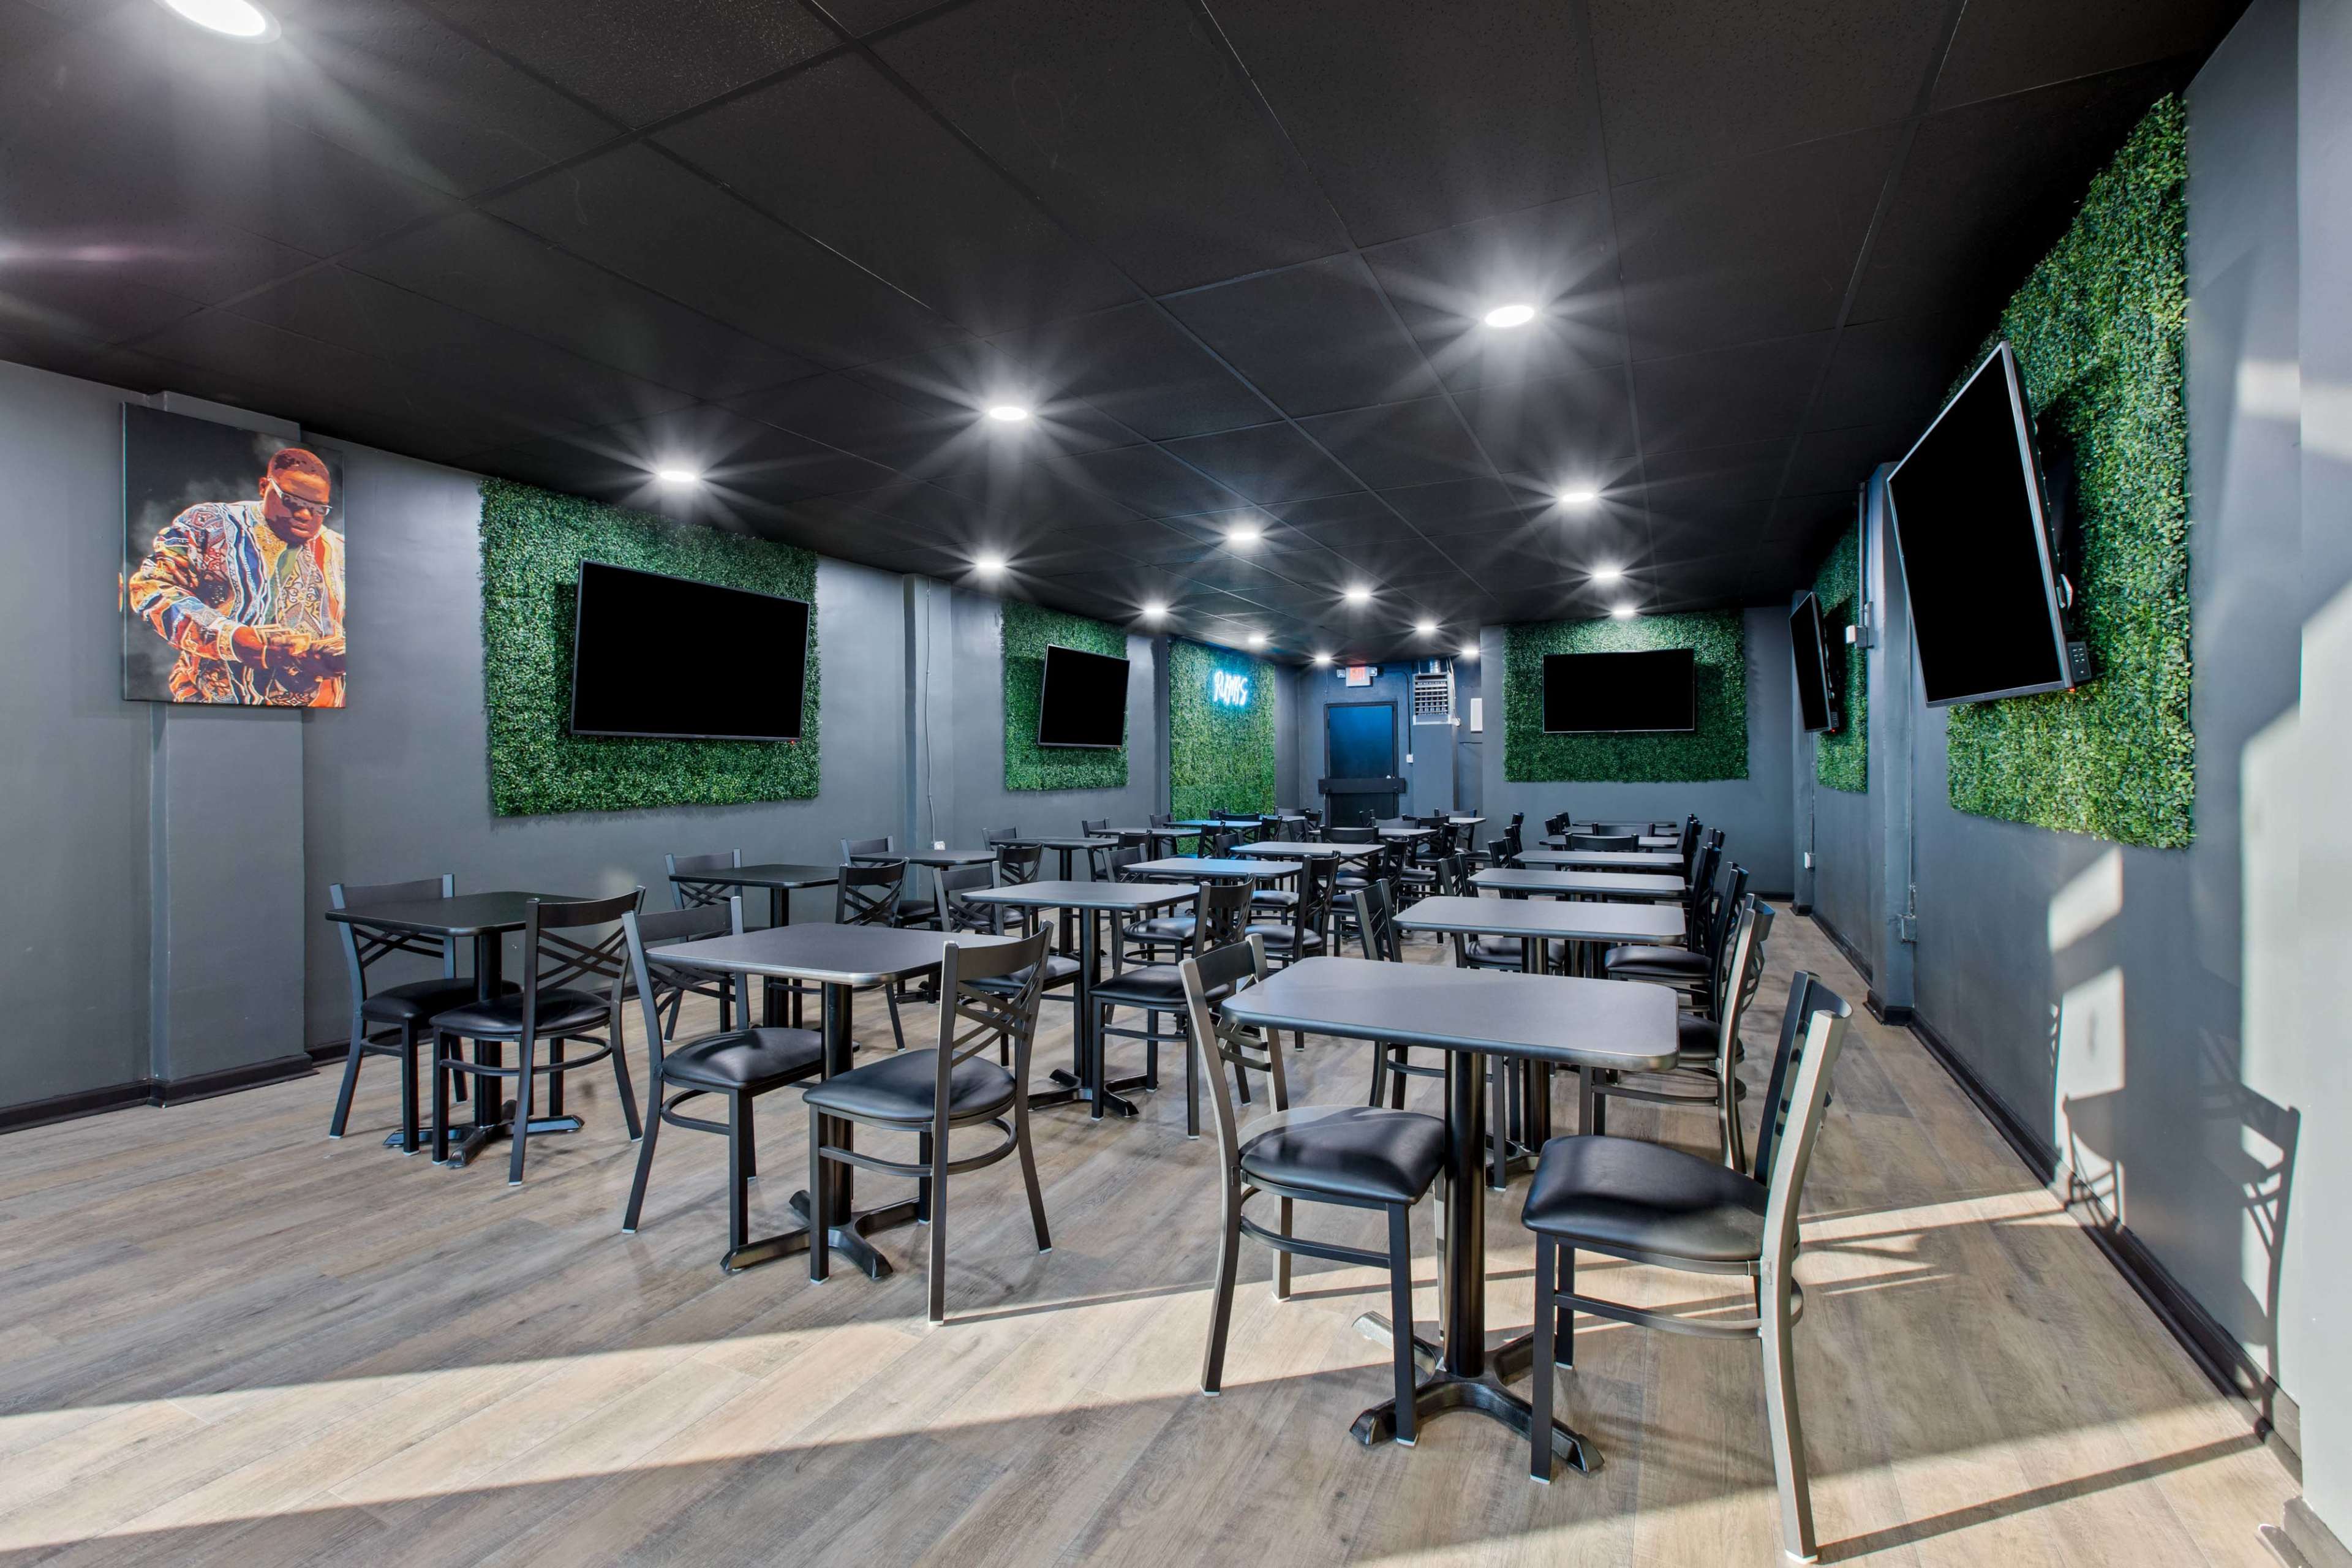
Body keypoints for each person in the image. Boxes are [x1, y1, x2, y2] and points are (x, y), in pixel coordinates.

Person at [127, 445, 346, 706]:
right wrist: (229, 638)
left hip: (317, 715)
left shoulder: (340, 551)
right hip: (212, 706)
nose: (304, 514)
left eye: (319, 509)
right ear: (265, 487)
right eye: (291, 501)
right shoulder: (210, 524)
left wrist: (334, 658)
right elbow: (152, 587)